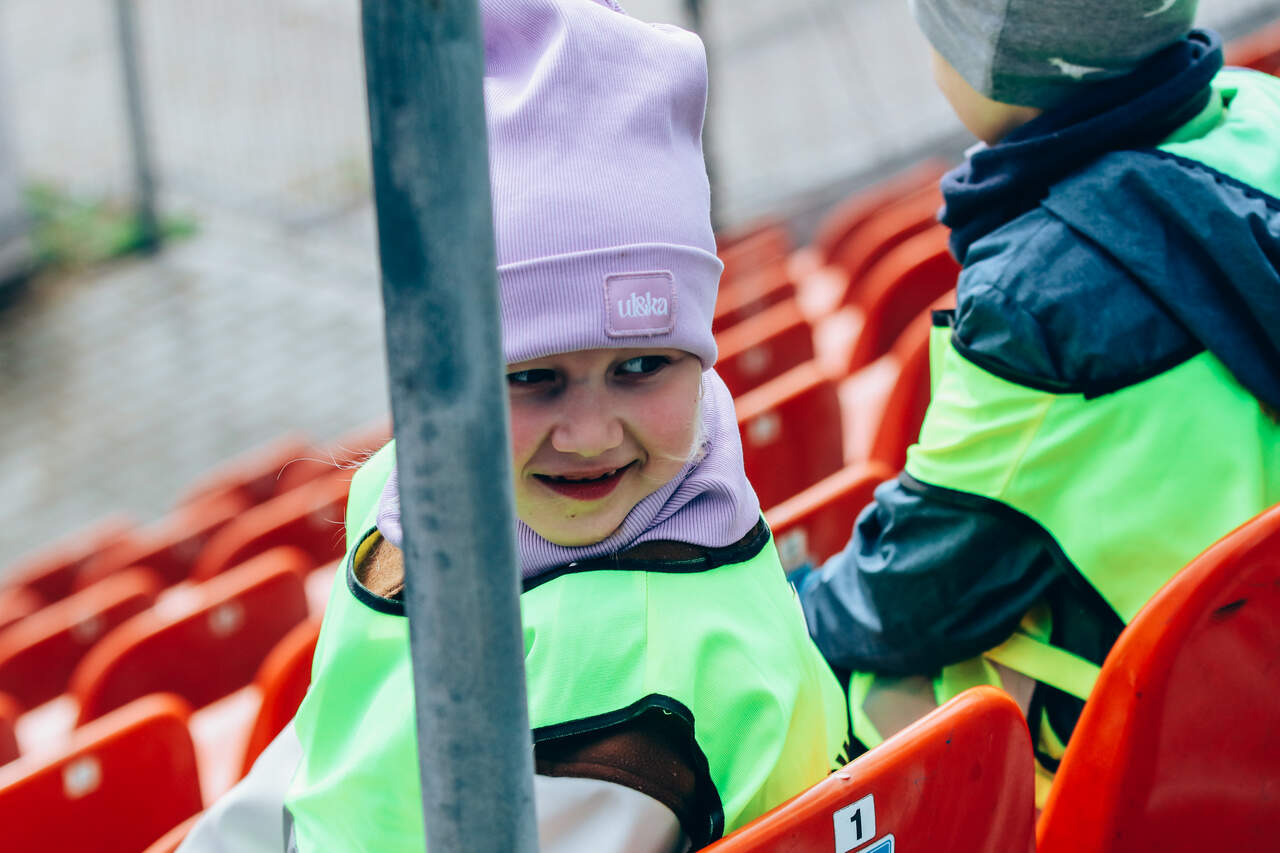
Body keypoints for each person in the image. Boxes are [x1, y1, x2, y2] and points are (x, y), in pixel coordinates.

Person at [181, 1, 849, 851]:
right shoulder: (403, 490)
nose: (590, 434)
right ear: (444, 383)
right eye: (533, 378)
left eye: (642, 366)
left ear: (699, 355)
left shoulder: (635, 686)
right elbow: (336, 753)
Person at [793, 0, 1280, 805]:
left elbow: (908, 597)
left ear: (990, 59)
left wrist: (795, 605)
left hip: (1162, 775)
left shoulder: (1034, 303)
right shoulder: (1256, 110)